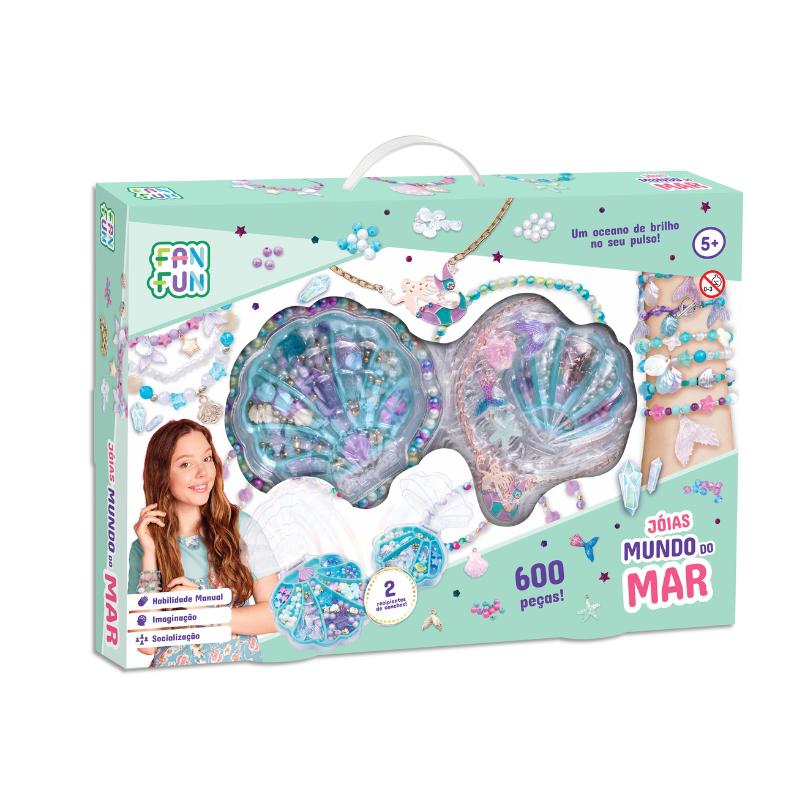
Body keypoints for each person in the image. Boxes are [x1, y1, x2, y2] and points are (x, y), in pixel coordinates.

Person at [128, 419, 279, 667]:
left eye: (207, 458)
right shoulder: (145, 547)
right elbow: (146, 644)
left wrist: (204, 610)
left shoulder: (241, 528)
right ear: (162, 474)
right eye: (186, 464)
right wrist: (150, 554)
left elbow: (275, 616)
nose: (203, 473)